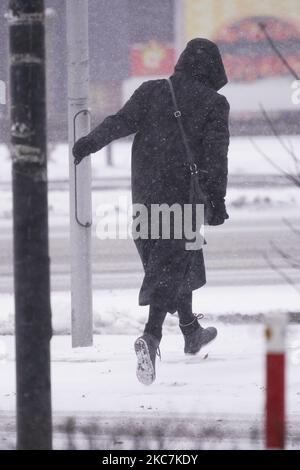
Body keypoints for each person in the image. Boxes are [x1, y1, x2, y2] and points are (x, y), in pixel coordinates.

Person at [73, 38, 230, 386]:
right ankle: (152, 336)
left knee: (174, 261)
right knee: (171, 266)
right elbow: (216, 158)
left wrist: (87, 144)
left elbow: (119, 123)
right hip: (184, 198)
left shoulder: (152, 91)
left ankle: (190, 331)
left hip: (146, 195)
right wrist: (216, 201)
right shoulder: (214, 103)